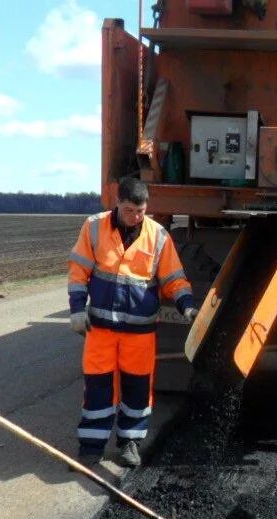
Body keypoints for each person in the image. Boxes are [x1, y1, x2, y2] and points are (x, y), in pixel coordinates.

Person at [67, 178, 198, 468]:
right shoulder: (93, 227)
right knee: (98, 388)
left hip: (139, 333)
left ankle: (129, 443)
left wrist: (187, 307)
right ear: (117, 203)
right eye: (129, 210)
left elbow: (173, 278)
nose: (136, 217)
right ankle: (91, 447)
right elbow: (78, 271)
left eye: (140, 211)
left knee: (138, 390)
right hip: (100, 328)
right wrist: (77, 309)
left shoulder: (159, 236)